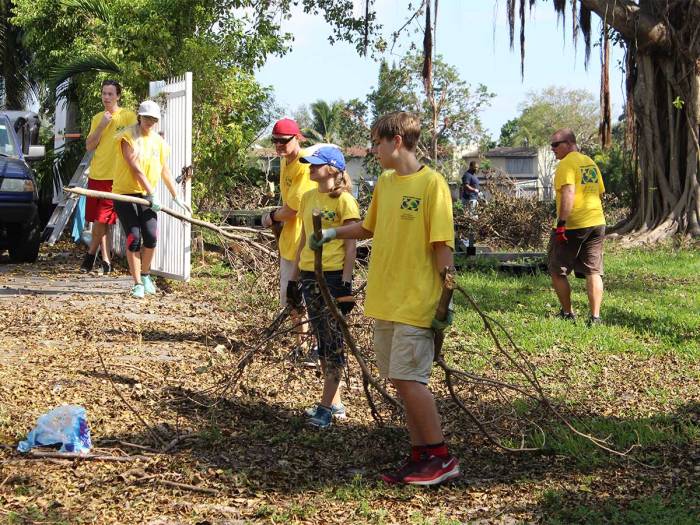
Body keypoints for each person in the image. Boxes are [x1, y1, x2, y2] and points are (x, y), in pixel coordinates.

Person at [310, 111, 460, 486]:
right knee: (398, 378)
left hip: (416, 300)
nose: (374, 149)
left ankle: (441, 458)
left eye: (377, 142)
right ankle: (419, 456)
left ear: (396, 141)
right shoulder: (387, 184)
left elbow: (442, 246)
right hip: (385, 299)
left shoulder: (432, 184)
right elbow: (367, 227)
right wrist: (330, 234)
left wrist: (446, 298)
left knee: (411, 381)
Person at [290, 146, 359, 429]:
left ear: (333, 168)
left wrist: (345, 283)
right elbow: (303, 239)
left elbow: (351, 244)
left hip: (331, 276)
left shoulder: (344, 201)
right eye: (309, 164)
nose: (310, 168)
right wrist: (293, 280)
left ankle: (325, 408)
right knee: (321, 337)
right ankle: (335, 402)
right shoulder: (308, 198)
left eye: (316, 164)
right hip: (309, 273)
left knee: (332, 342)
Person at [112, 100, 191, 298]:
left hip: (147, 195)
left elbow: (165, 171)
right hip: (124, 193)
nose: (150, 121)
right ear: (139, 116)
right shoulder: (127, 137)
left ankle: (146, 275)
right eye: (146, 117)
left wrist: (176, 196)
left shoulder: (159, 143)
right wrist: (152, 192)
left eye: (153, 119)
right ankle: (137, 283)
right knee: (134, 237)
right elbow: (135, 168)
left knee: (151, 236)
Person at [261, 118, 317, 361]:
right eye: (275, 141)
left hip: (304, 243)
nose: (279, 146)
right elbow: (288, 202)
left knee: (307, 297)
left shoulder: (305, 165)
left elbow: (294, 208)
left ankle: (313, 346)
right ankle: (301, 344)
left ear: (297, 138)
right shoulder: (285, 162)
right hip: (289, 240)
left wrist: (271, 216)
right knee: (293, 298)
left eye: (284, 141)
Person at [548, 128, 606, 325]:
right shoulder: (589, 163)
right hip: (597, 222)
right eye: (551, 145)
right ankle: (595, 317)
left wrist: (562, 225)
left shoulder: (566, 164)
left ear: (569, 143)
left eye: (556, 144)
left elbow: (569, 194)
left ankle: (567, 313)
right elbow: (599, 193)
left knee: (557, 270)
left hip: (574, 224)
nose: (552, 149)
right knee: (593, 271)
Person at [80, 79, 137, 274]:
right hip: (97, 173)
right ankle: (105, 260)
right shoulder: (97, 118)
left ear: (118, 96)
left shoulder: (128, 116)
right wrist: (102, 125)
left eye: (111, 94)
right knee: (100, 219)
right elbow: (89, 146)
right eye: (104, 93)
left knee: (103, 219)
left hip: (116, 177)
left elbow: (135, 141)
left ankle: (90, 254)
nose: (107, 97)